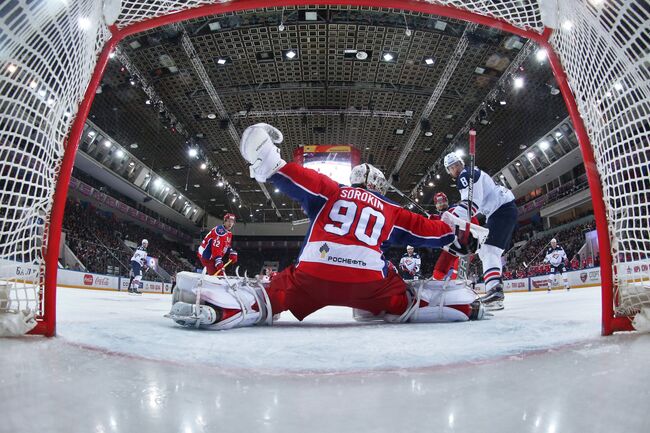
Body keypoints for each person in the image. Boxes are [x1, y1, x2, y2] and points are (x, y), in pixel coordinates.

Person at [168, 123, 487, 330]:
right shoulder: (391, 209)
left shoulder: (332, 190)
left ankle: (224, 307)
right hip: (369, 282)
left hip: (313, 273)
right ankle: (457, 303)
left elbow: (284, 172)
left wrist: (266, 153)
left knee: (272, 294)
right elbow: (432, 233)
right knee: (403, 296)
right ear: (377, 184)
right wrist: (459, 233)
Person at [443, 151, 517, 310]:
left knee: (489, 250)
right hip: (502, 210)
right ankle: (495, 290)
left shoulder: (465, 176)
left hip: (501, 210)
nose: (453, 169)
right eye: (452, 167)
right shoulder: (470, 172)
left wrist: (448, 220)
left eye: (453, 166)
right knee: (489, 251)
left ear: (456, 167)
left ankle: (495, 291)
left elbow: (471, 206)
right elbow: (470, 205)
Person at [430, 192, 479, 281]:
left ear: (447, 202)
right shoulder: (441, 216)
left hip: (467, 245)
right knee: (439, 269)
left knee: (459, 267)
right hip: (453, 246)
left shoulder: (455, 209)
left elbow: (472, 221)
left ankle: (457, 285)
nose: (441, 205)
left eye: (443, 202)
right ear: (436, 205)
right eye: (439, 203)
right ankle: (436, 284)